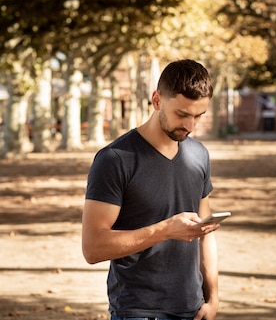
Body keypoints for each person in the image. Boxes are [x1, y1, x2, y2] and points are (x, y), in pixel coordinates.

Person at [82, 59, 221, 320]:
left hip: (193, 309)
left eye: (198, 116)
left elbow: (205, 234)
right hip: (139, 311)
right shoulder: (115, 159)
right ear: (157, 100)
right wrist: (165, 230)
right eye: (182, 114)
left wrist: (212, 298)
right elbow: (92, 248)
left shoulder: (199, 155)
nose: (190, 126)